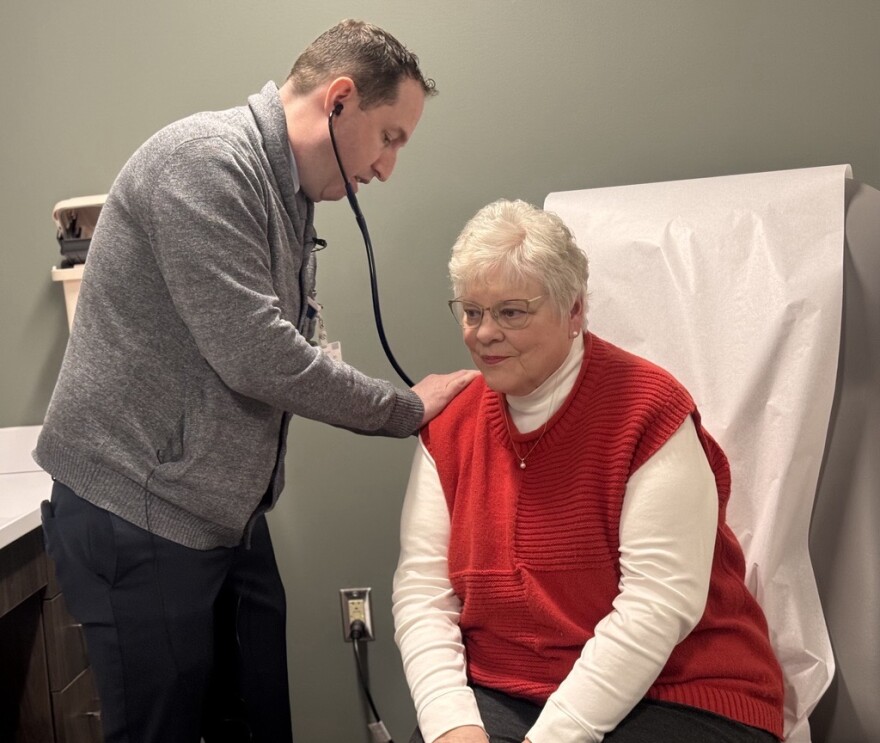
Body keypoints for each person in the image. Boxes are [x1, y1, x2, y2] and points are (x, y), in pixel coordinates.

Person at [34, 19, 476, 743]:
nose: (387, 168)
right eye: (390, 137)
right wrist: (404, 409)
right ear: (338, 101)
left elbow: (296, 339)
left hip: (220, 516)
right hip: (138, 511)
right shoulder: (206, 166)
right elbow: (260, 357)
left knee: (260, 718)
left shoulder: (290, 196)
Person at [392, 199, 785, 743]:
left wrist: (554, 735)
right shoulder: (451, 426)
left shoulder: (648, 410)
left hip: (679, 687)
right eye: (471, 311)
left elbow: (657, 604)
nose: (483, 334)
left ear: (574, 311)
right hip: (510, 689)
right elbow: (422, 592)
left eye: (511, 312)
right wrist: (450, 725)